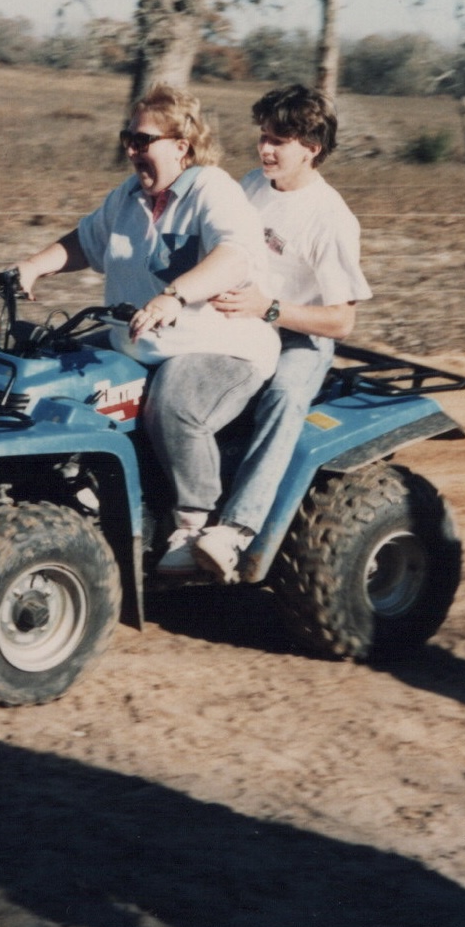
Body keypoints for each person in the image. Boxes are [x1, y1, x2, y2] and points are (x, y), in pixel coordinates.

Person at [13, 83, 280, 574]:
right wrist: (33, 266)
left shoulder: (211, 190)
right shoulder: (129, 197)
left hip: (220, 343)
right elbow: (86, 241)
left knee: (174, 403)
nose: (132, 150)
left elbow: (234, 255)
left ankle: (193, 527)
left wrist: (176, 295)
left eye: (143, 140)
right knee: (48, 371)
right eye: (128, 139)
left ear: (182, 146)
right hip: (141, 337)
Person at [176, 82, 372, 582]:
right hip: (238, 317)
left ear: (312, 148)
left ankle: (236, 530)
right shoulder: (249, 186)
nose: (265, 149)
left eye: (278, 141)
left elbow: (341, 320)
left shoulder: (330, 218)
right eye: (263, 136)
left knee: (284, 396)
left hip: (297, 333)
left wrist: (269, 310)